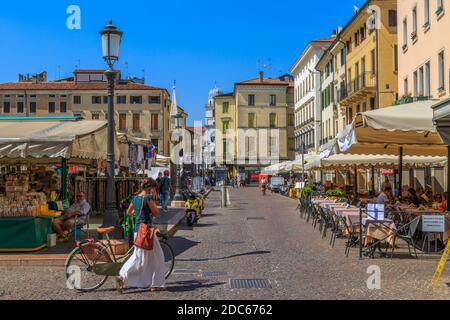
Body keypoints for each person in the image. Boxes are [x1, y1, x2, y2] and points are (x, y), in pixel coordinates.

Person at [116, 179, 166, 293]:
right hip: (147, 232)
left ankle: (124, 276)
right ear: (151, 188)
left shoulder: (135, 198)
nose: (155, 191)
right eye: (155, 189)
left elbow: (129, 212)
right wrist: (152, 198)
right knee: (158, 258)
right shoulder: (147, 198)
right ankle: (154, 284)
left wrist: (138, 213)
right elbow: (156, 213)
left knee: (139, 256)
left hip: (137, 231)